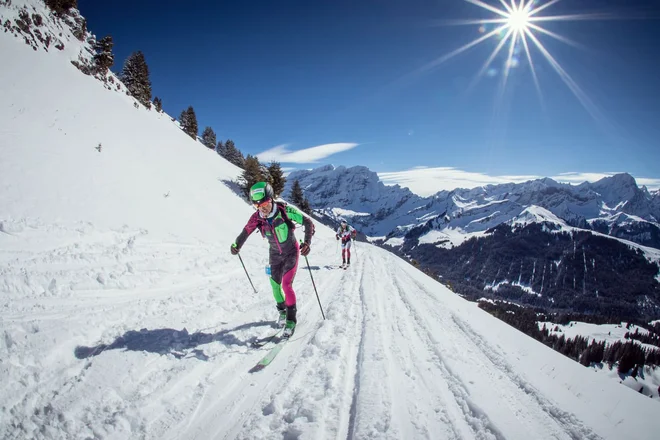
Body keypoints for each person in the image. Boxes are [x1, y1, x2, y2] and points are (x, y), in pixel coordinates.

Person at [231, 182, 314, 338]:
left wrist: (307, 243)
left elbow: (308, 222)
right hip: (274, 254)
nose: (262, 208)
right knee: (275, 287)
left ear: (271, 199)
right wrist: (237, 245)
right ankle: (282, 312)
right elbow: (246, 231)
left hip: (291, 252)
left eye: (264, 203)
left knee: (286, 285)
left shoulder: (285, 210)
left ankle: (291, 320)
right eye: (258, 206)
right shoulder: (257, 217)